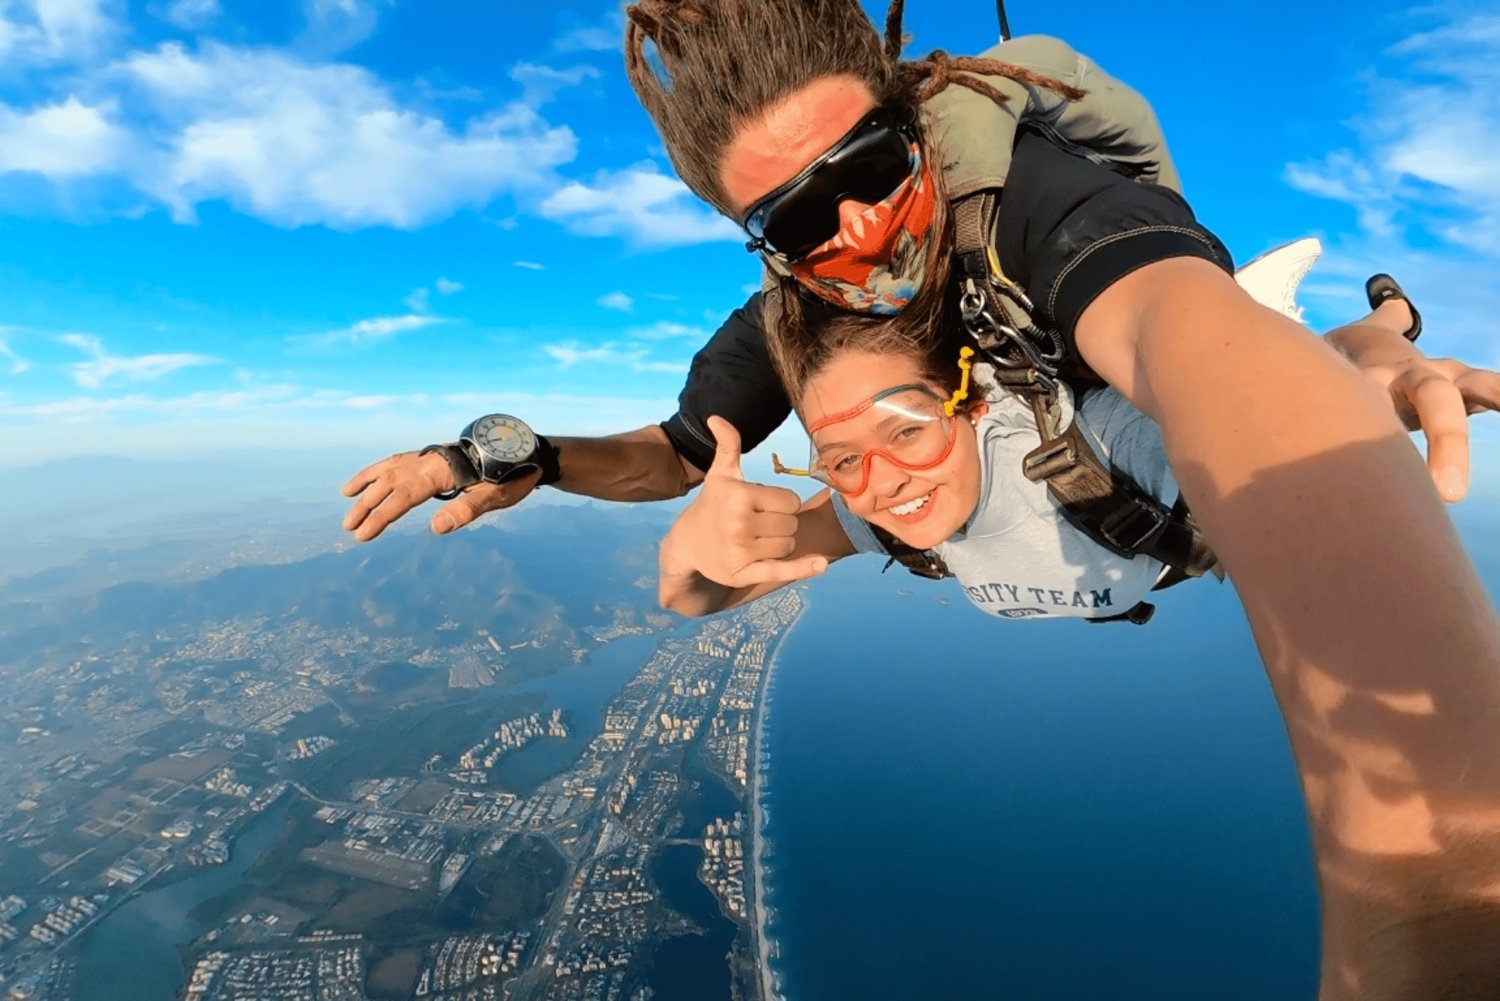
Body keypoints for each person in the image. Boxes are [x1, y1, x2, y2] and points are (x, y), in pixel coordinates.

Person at [340, 2, 1500, 995]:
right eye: (796, 217)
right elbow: (685, 460)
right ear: (764, 245)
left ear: (912, 131)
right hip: (1042, 445)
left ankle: (1379, 321)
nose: (849, 227)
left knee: (1295, 342)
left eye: (869, 170)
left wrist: (1428, 900)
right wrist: (519, 458)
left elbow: (1200, 358)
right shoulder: (805, 341)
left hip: (1132, 407)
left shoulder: (1046, 209)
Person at [655, 262, 1422, 623]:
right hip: (1144, 558)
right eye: (842, 457)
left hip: (1201, 408)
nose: (882, 481)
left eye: (907, 429)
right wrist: (686, 554)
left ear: (974, 401)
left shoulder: (1098, 443)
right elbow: (699, 595)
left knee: (1329, 339)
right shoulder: (878, 504)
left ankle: (1392, 316)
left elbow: (1247, 439)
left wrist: (1354, 392)